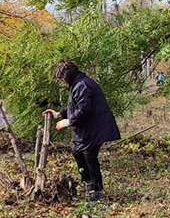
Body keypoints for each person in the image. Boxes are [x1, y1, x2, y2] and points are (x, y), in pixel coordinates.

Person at [43, 60, 120, 201]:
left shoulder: (82, 85)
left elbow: (84, 110)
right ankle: (89, 183)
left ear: (68, 75)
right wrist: (58, 114)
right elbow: (75, 107)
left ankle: (96, 190)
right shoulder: (78, 84)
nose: (61, 82)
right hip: (92, 128)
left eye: (61, 79)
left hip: (97, 128)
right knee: (78, 152)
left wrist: (68, 121)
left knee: (89, 155)